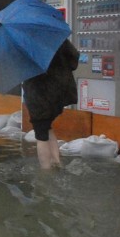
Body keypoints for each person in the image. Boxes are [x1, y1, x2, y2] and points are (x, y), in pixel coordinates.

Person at [22, 39, 79, 170]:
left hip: (38, 93)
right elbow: (74, 60)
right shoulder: (55, 37)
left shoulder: (26, 43)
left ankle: (45, 172)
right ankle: (57, 162)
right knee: (47, 127)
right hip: (59, 90)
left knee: (41, 134)